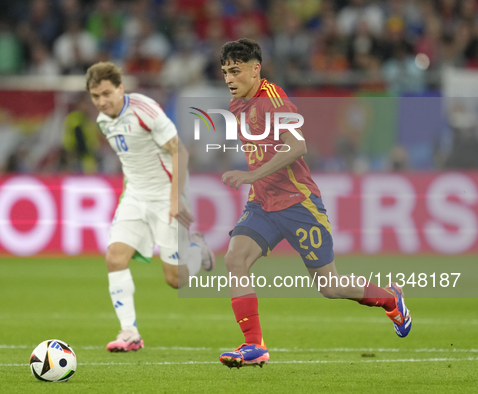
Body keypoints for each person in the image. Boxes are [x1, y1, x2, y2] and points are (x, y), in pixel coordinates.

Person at [216, 39, 412, 368]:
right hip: (263, 204)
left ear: (255, 69)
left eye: (235, 71)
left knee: (330, 286)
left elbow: (297, 147)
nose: (228, 78)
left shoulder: (273, 99)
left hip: (297, 205)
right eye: (224, 72)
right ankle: (254, 346)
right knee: (235, 259)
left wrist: (253, 175)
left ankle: (391, 298)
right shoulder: (238, 105)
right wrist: (254, 179)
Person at [85, 62, 214, 352]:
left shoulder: (146, 110)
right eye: (95, 96)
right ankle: (129, 333)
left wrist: (174, 200)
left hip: (166, 194)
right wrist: (128, 197)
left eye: (107, 93)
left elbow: (179, 150)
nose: (102, 101)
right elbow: (132, 161)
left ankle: (196, 251)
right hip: (135, 196)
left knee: (175, 280)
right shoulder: (103, 121)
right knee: (114, 258)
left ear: (121, 88)